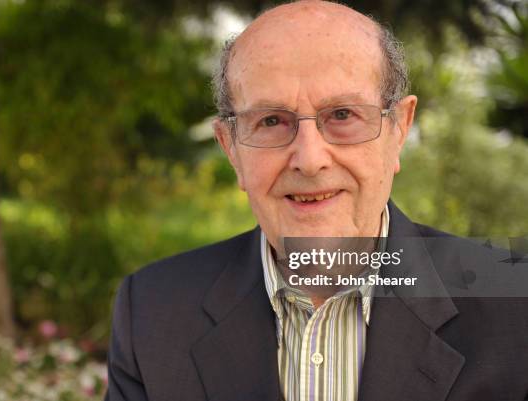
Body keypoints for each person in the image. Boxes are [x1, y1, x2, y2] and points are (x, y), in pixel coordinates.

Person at [105, 1, 528, 400]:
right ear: (230, 147)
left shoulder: (516, 306)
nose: (309, 160)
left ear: (398, 129)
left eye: (342, 115)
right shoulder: (151, 311)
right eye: (271, 121)